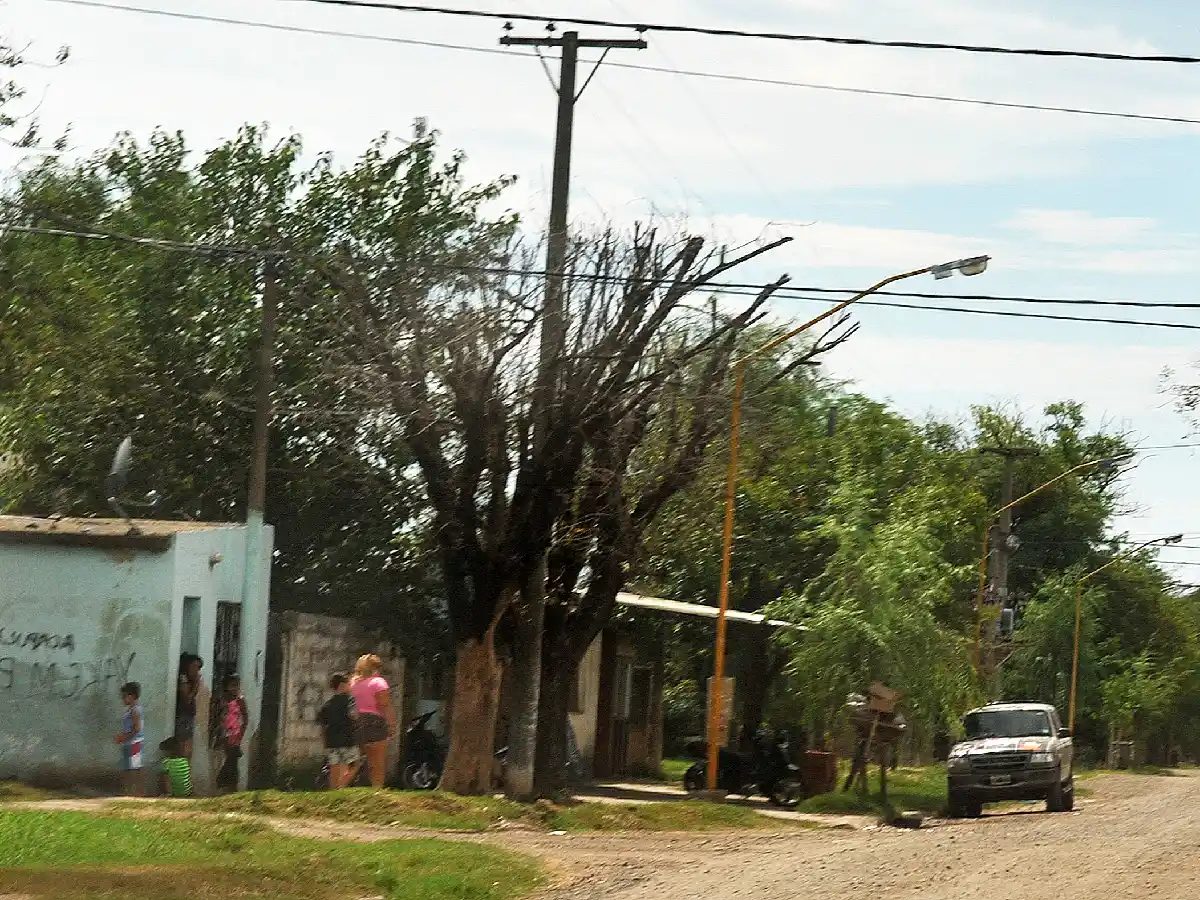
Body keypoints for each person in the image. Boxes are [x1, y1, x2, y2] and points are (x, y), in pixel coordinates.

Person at [350, 653, 395, 788]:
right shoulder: (379, 683)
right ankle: (377, 789)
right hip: (375, 720)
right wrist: (391, 723)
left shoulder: (353, 683)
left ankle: (342, 785)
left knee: (356, 760)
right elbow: (384, 705)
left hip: (358, 721)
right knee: (377, 761)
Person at [317, 672, 360, 789]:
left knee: (334, 768)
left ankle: (333, 791)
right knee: (354, 765)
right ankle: (341, 787)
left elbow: (322, 724)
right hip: (347, 739)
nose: (350, 686)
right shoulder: (350, 699)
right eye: (348, 683)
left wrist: (324, 741)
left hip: (331, 740)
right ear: (342, 685)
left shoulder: (328, 704)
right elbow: (353, 715)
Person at [215, 674, 249, 794]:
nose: (234, 689)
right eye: (232, 686)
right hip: (225, 733)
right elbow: (219, 716)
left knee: (232, 760)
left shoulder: (240, 700)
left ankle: (227, 783)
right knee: (230, 759)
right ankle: (226, 784)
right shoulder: (222, 700)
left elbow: (245, 718)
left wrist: (241, 734)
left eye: (236, 686)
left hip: (235, 733)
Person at [114, 681, 144, 796]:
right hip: (129, 742)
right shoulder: (131, 710)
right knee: (127, 768)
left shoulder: (135, 710)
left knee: (135, 768)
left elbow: (136, 728)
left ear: (131, 696)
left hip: (135, 743)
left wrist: (123, 737)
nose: (123, 699)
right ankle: (128, 791)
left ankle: (138, 791)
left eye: (124, 696)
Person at [175, 653, 204, 760]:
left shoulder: (190, 680)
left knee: (188, 747)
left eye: (198, 668)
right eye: (194, 667)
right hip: (182, 715)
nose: (196, 670)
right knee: (183, 748)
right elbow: (187, 699)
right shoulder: (183, 678)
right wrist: (196, 684)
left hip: (188, 715)